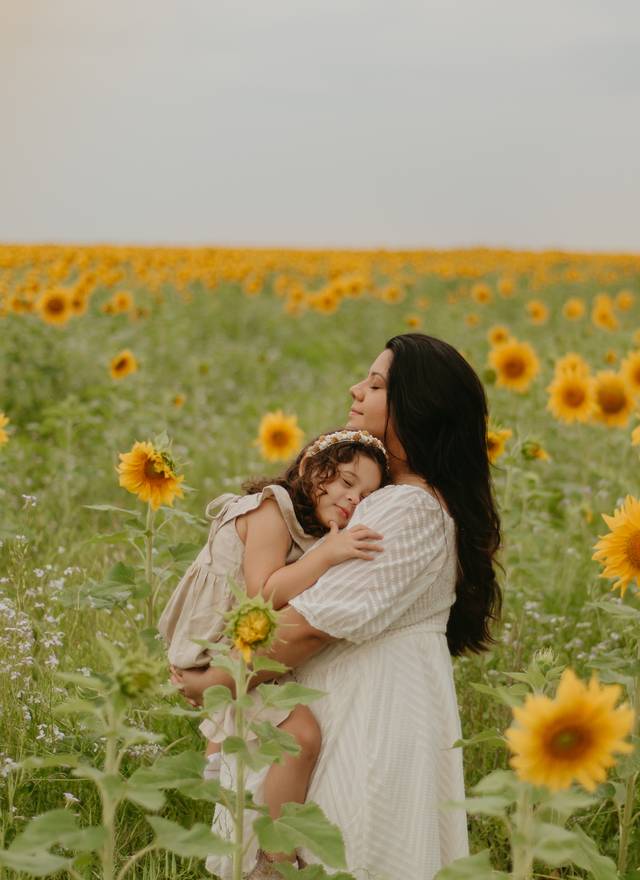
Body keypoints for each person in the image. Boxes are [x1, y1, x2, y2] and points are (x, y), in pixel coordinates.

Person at [174, 332, 502, 880]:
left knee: (348, 856)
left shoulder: (408, 509)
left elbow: (305, 627)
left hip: (368, 728)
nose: (356, 390)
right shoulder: (392, 502)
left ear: (417, 408)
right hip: (362, 718)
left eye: (375, 384)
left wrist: (214, 682)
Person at [158, 429, 388, 873]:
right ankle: (275, 863)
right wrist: (327, 555)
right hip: (208, 646)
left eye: (365, 495)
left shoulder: (310, 528)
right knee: (299, 737)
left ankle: (219, 747)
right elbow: (260, 594)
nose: (352, 498)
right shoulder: (271, 509)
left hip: (235, 640)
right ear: (310, 468)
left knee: (288, 720)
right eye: (345, 481)